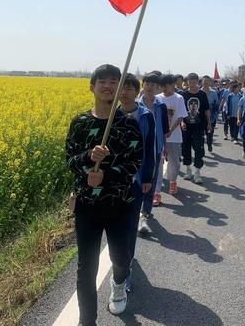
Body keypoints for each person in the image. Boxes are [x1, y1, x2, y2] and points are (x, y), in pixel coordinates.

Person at [66, 65, 151, 324]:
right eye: (102, 81)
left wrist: (106, 174)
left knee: (121, 258)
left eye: (115, 82)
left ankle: (118, 282)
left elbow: (135, 162)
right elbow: (69, 160)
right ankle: (87, 320)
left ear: (120, 90)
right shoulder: (80, 123)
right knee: (86, 268)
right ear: (92, 86)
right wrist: (88, 157)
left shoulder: (128, 124)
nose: (108, 86)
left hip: (120, 205)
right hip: (87, 206)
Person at [118, 73, 156, 293]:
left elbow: (149, 147)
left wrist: (148, 178)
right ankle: (121, 259)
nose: (125, 92)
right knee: (116, 226)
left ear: (137, 90)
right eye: (121, 88)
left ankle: (125, 270)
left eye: (130, 88)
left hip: (137, 178)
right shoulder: (110, 114)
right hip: (112, 181)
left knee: (131, 226)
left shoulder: (146, 115)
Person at [137, 73, 169, 231]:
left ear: (158, 88)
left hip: (155, 150)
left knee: (150, 181)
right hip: (136, 150)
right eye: (146, 83)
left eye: (152, 84)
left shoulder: (161, 106)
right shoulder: (135, 104)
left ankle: (144, 215)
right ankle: (134, 211)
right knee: (135, 181)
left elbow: (164, 129)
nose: (149, 86)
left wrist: (165, 147)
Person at [156, 74, 188, 195]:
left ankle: (173, 181)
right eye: (162, 86)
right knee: (158, 162)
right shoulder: (157, 98)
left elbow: (180, 116)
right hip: (159, 136)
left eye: (167, 86)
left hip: (174, 135)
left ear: (172, 85)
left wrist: (170, 130)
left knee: (174, 161)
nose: (164, 88)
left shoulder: (178, 98)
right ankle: (157, 189)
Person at [181, 73, 211, 184]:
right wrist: (182, 122)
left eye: (194, 82)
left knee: (199, 148)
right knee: (186, 148)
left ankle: (197, 172)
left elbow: (207, 110)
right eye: (190, 82)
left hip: (199, 127)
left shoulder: (202, 94)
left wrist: (209, 123)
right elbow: (181, 111)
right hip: (186, 127)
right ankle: (188, 170)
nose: (192, 84)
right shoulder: (183, 95)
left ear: (197, 82)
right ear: (187, 82)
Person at [202, 75, 219, 152]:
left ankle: (209, 144)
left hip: (211, 116)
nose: (205, 82)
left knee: (210, 133)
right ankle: (201, 148)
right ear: (202, 82)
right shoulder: (199, 92)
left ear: (209, 83)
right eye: (204, 81)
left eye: (207, 81)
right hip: (201, 116)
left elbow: (216, 105)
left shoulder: (214, 93)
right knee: (200, 134)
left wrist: (215, 116)